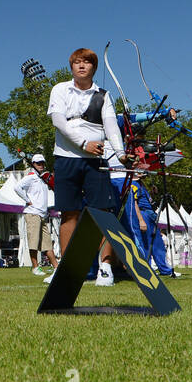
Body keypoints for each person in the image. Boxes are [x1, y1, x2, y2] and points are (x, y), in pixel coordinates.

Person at [46, 48, 129, 286]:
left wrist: (121, 154)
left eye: (87, 62)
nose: (82, 66)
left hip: (96, 161)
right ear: (71, 67)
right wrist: (84, 143)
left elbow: (112, 126)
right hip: (65, 157)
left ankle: (105, 268)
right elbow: (58, 121)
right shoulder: (60, 89)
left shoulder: (103, 95)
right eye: (77, 62)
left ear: (94, 67)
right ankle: (66, 268)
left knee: (103, 214)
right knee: (68, 213)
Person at [13, 154, 57, 275]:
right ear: (33, 164)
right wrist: (27, 200)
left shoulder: (42, 177)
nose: (41, 165)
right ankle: (35, 267)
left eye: (42, 163)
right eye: (38, 163)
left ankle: (56, 267)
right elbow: (17, 187)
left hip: (42, 214)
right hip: (32, 213)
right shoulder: (31, 176)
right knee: (33, 242)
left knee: (47, 243)